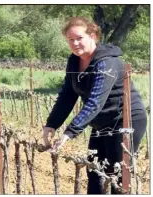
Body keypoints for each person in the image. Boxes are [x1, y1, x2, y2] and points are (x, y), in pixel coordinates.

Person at [43, 17, 147, 194]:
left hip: (125, 120)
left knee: (117, 174)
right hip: (101, 121)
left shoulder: (107, 62)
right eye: (70, 40)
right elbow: (67, 95)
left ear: (92, 35)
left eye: (79, 38)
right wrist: (51, 124)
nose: (75, 43)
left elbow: (96, 101)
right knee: (94, 170)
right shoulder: (74, 61)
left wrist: (70, 132)